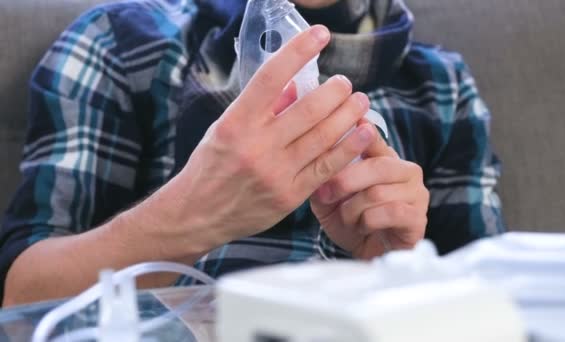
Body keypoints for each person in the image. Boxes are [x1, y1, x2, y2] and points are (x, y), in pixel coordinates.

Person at [0, 0, 504, 306]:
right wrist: (192, 215)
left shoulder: (440, 84)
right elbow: (21, 299)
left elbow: (499, 305)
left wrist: (399, 268)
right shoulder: (121, 43)